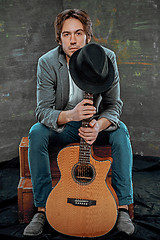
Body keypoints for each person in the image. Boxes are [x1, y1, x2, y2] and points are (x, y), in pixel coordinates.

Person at [23, 9, 134, 237]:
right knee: (36, 133)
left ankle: (122, 207)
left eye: (78, 33)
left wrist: (99, 126)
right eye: (66, 34)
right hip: (65, 125)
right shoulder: (47, 62)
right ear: (59, 38)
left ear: (88, 37)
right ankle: (43, 208)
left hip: (95, 126)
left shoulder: (107, 58)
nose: (72, 40)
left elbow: (114, 105)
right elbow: (42, 110)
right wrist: (71, 116)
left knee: (121, 132)